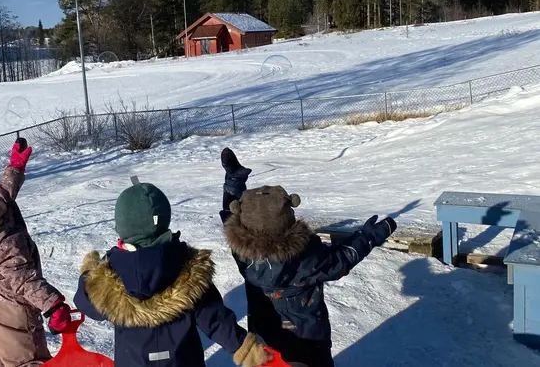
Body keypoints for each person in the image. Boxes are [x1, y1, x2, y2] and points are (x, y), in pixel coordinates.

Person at [219, 148, 397, 367]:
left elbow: (231, 217)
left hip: (264, 341)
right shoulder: (308, 258)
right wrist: (370, 236)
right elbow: (343, 258)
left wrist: (233, 183)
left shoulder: (243, 254)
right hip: (310, 342)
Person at [74, 180, 272, 367]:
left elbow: (86, 302)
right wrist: (245, 349)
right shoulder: (189, 269)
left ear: (121, 227)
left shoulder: (109, 275)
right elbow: (215, 319)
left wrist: (90, 272)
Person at [0, 138, 72, 367]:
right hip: (11, 313)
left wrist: (15, 168)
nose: (1, 203)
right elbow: (26, 282)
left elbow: (1, 195)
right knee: (28, 360)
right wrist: (54, 306)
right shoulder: (5, 250)